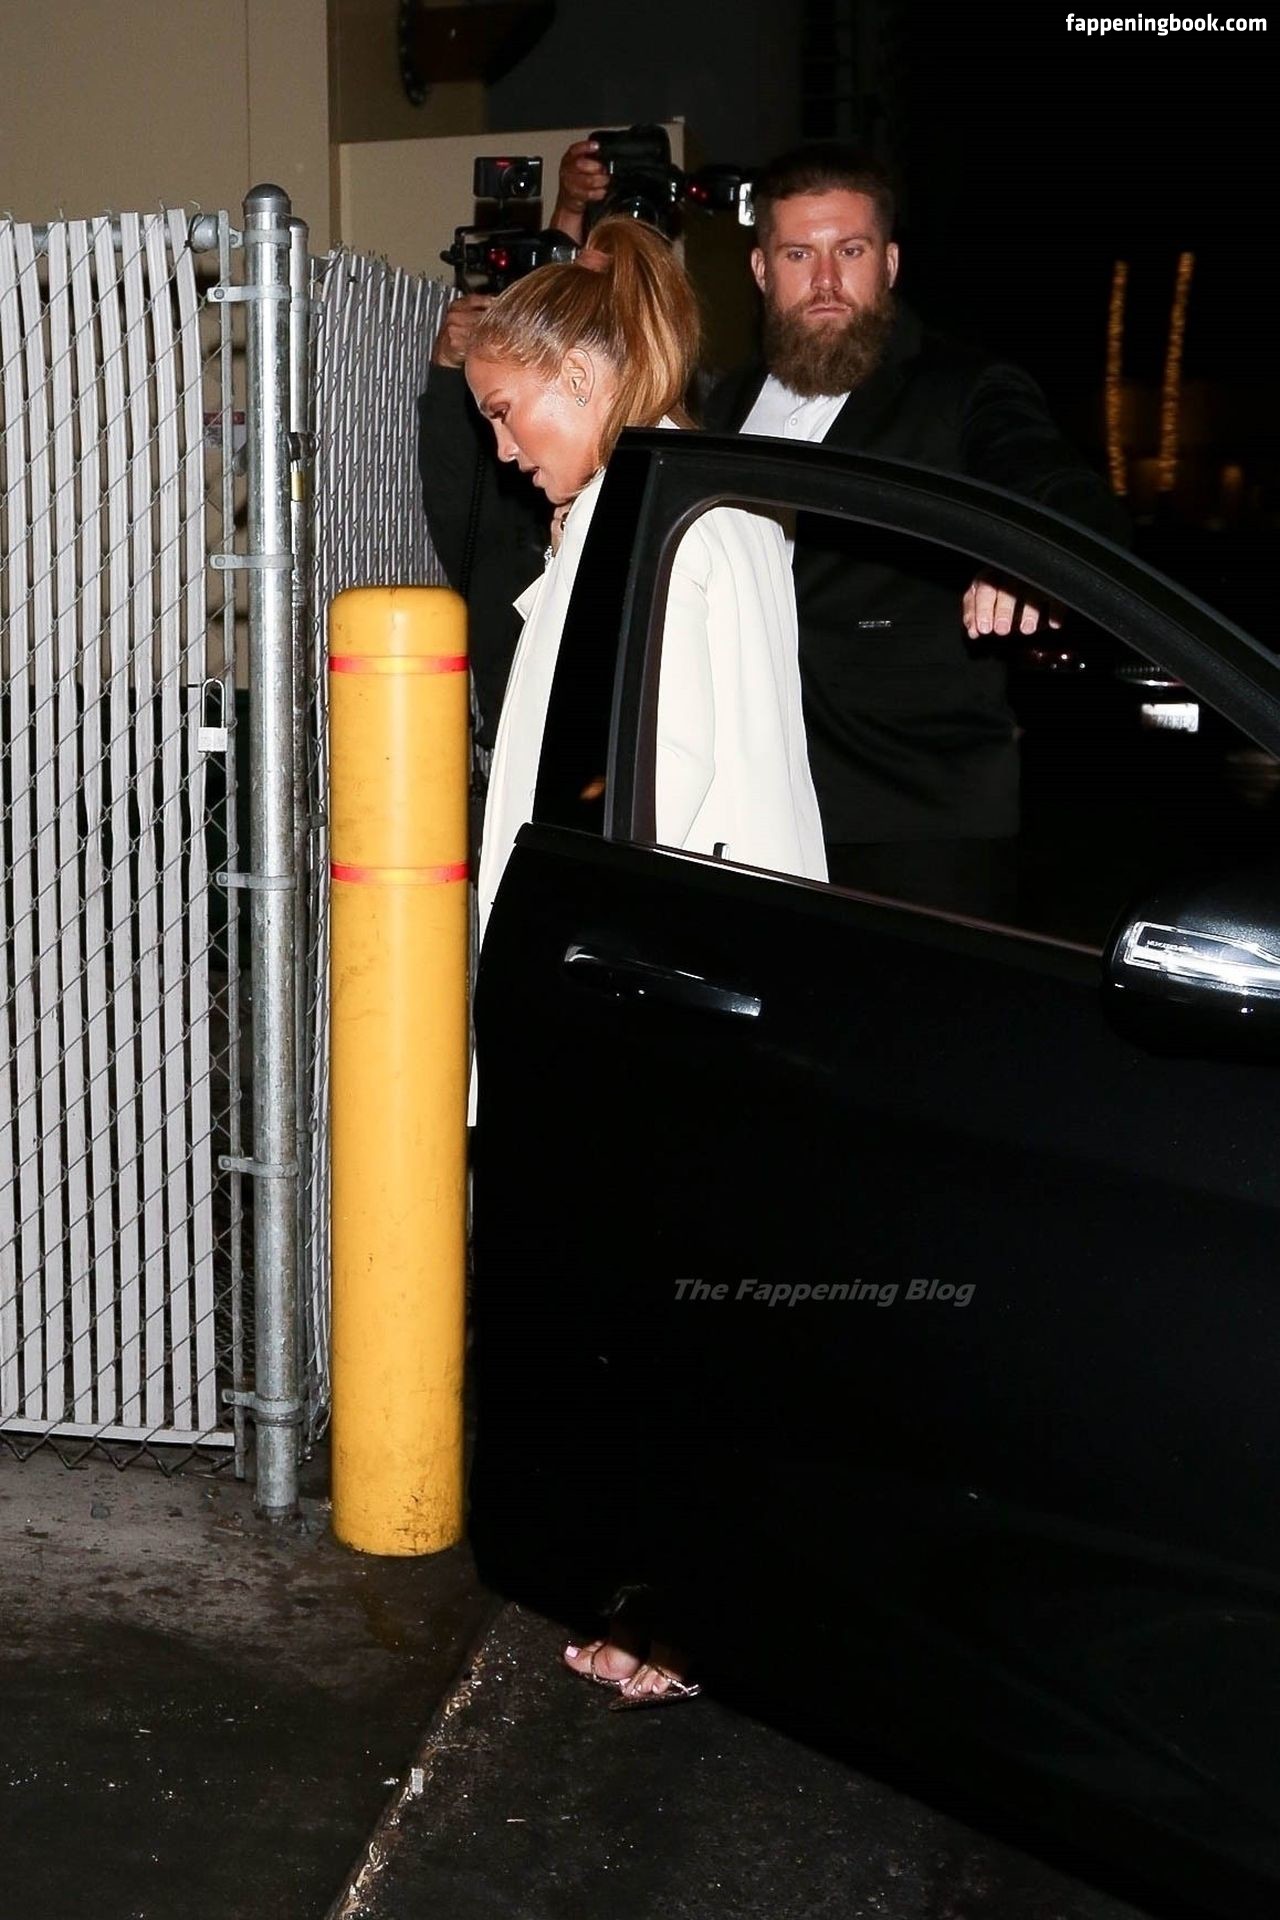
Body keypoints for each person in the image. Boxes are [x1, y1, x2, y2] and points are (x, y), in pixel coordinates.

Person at [464, 214, 826, 1700]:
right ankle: (652, 1596)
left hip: (666, 1005)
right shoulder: (630, 514)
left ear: (586, 375)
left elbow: (703, 799)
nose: (500, 450)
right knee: (631, 1330)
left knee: (675, 1335)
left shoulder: (691, 525)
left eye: (509, 411)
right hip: (628, 996)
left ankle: (684, 1622)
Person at [704, 143, 1130, 917]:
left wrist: (1027, 554)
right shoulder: (726, 405)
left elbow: (1062, 490)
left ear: (890, 264)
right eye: (799, 254)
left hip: (914, 823)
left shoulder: (961, 388)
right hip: (747, 811)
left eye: (851, 251)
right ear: (762, 271)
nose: (826, 280)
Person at [417, 141, 612, 759]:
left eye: (504, 412)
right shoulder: (501, 510)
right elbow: (453, 480)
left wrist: (572, 211)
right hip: (517, 740)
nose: (506, 448)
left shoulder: (644, 484)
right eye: (492, 418)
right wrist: (450, 368)